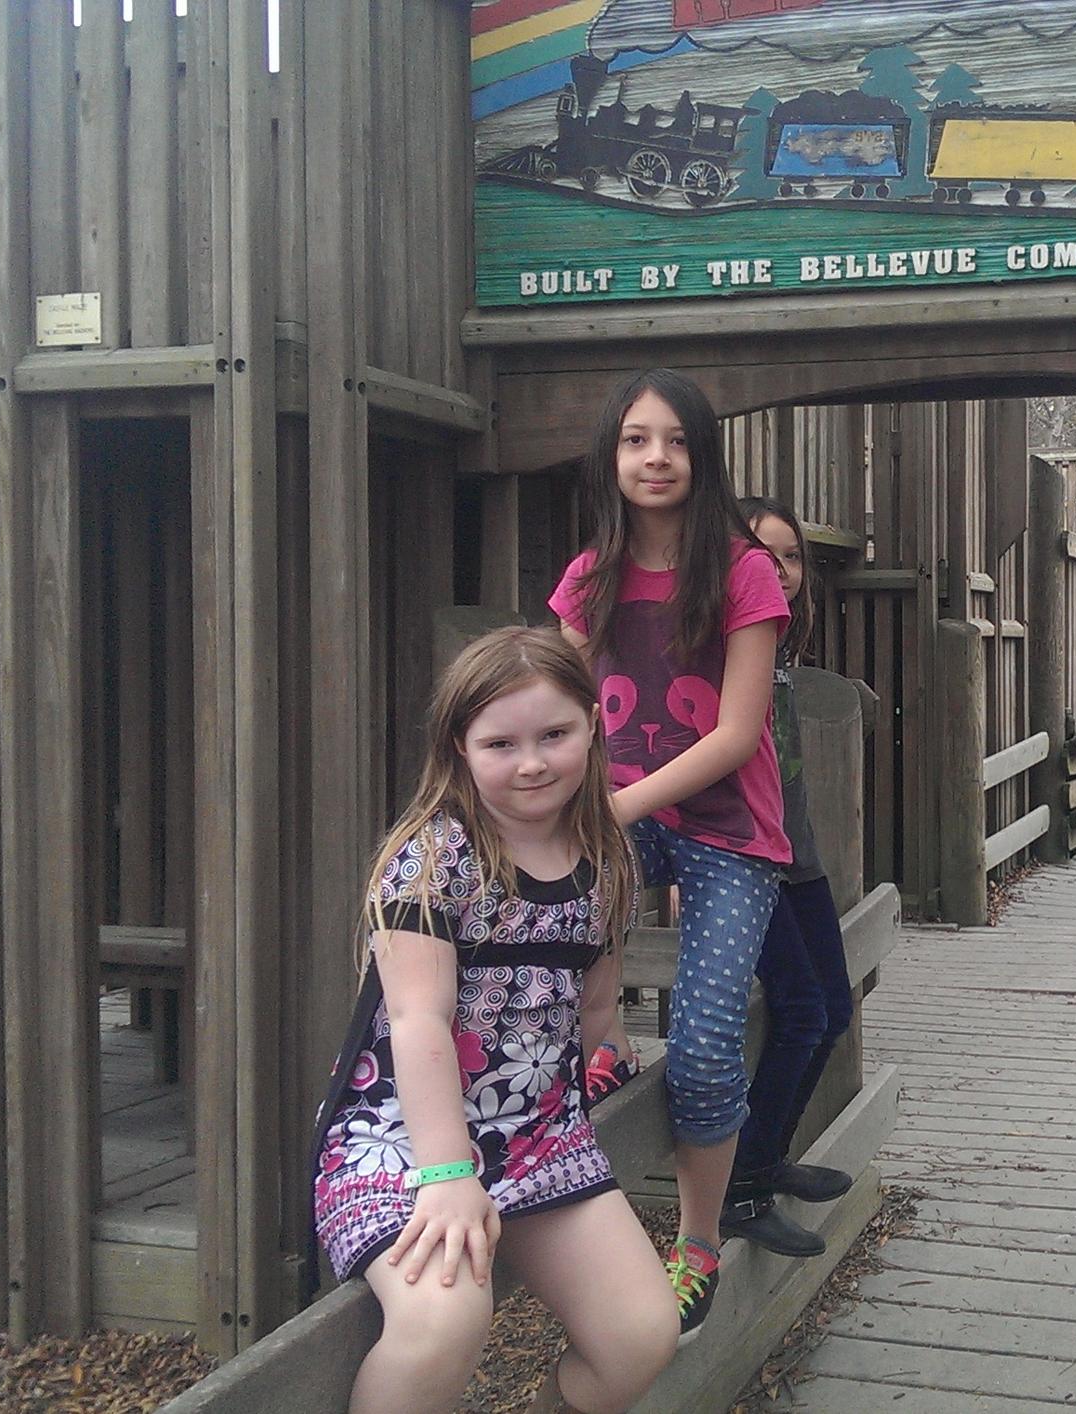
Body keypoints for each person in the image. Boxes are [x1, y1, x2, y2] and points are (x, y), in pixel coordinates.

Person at [310, 627, 677, 1414]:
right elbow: (416, 1020)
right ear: (460, 747)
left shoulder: (607, 855)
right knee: (445, 1318)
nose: (533, 761)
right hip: (403, 1141)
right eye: (501, 743)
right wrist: (447, 1176)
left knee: (642, 1332)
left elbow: (597, 1000)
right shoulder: (433, 858)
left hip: (539, 1134)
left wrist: (596, 1071)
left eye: (554, 734)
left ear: (592, 725)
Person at [549, 369, 792, 1342]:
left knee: (699, 1046)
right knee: (551, 887)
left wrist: (609, 810)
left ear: (702, 455)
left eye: (675, 440)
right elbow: (553, 702)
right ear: (611, 456)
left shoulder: (742, 570)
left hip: (731, 828)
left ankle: (694, 1244)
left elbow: (735, 735)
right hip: (628, 809)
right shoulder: (587, 578)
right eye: (636, 440)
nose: (656, 458)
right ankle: (596, 1043)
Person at [722, 495, 857, 1259]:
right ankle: (742, 1186)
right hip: (748, 856)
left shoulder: (777, 650)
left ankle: (766, 1157)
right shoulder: (725, 643)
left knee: (832, 1011)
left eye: (792, 557)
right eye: (761, 554)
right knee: (801, 1011)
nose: (780, 569)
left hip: (796, 856)